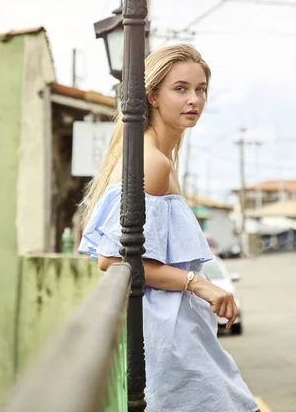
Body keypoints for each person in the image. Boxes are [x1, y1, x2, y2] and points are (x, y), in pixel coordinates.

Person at [79, 44, 260, 412]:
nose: (194, 99)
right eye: (180, 88)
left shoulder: (157, 158)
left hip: (176, 333)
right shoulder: (151, 162)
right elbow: (113, 258)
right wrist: (200, 283)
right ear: (152, 96)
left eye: (201, 89)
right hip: (167, 340)